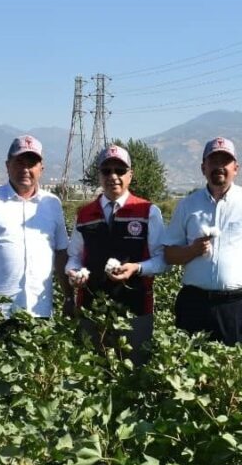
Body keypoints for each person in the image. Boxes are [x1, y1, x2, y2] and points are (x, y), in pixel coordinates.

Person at [162, 136, 242, 345]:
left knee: (235, 371)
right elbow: (169, 254)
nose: (219, 167)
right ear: (203, 167)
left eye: (224, 162)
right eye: (213, 161)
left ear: (236, 168)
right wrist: (192, 251)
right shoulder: (187, 205)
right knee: (189, 372)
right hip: (194, 304)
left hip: (236, 306)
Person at [66, 144, 167, 361]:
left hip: (136, 309)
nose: (113, 176)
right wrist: (74, 272)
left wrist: (137, 268)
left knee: (134, 374)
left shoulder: (148, 211)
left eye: (120, 170)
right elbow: (74, 255)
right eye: (107, 170)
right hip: (90, 309)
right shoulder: (84, 214)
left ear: (130, 175)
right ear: (99, 175)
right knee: (92, 373)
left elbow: (161, 260)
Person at [0, 136, 70, 318]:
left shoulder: (52, 204)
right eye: (19, 162)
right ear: (8, 165)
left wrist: (69, 298)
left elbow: (61, 253)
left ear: (41, 168)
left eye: (31, 163)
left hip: (39, 313)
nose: (25, 169)